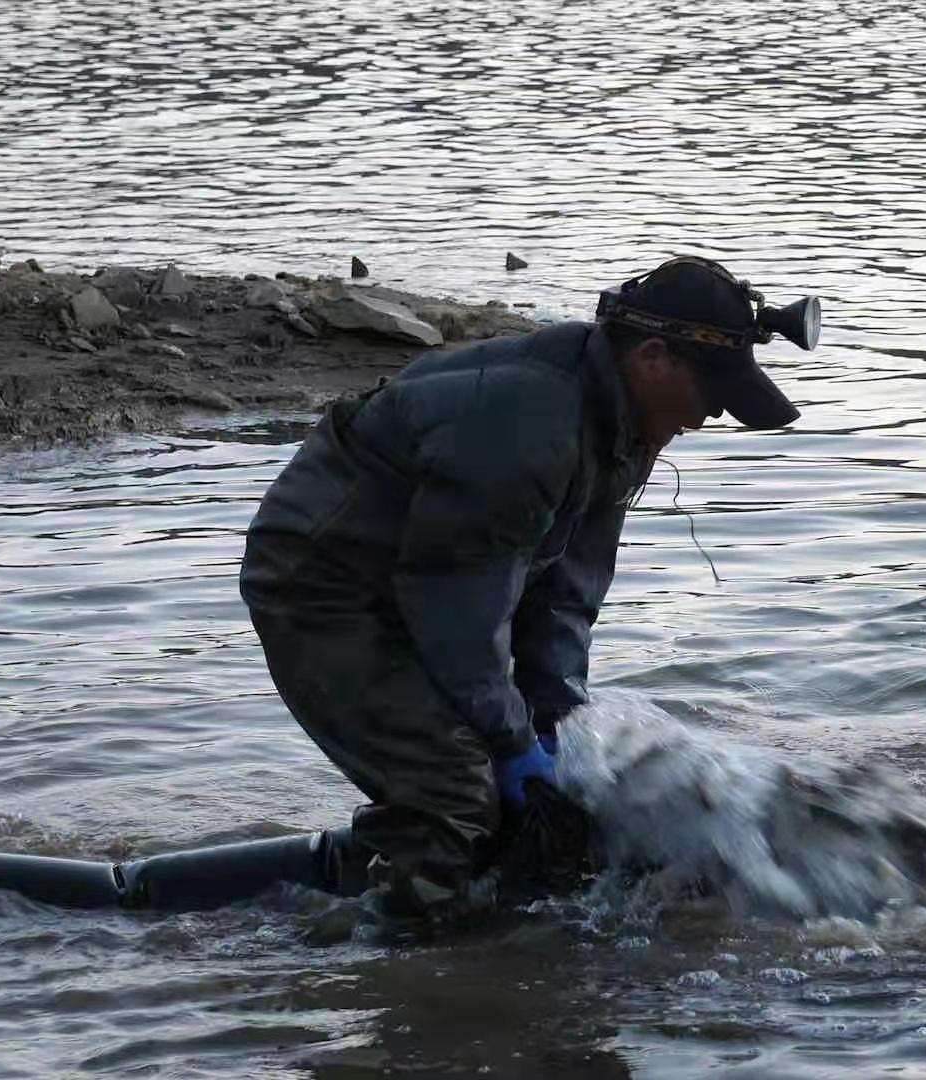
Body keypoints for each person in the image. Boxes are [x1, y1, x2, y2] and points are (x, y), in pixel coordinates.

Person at [238, 256, 820, 920]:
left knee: (548, 805)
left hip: (429, 578)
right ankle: (382, 967)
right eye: (711, 392)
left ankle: (454, 922)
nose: (712, 414)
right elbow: (455, 601)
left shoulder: (625, 423)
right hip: (323, 586)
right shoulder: (528, 422)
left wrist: (557, 729)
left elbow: (566, 597)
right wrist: (511, 746)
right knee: (455, 794)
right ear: (655, 356)